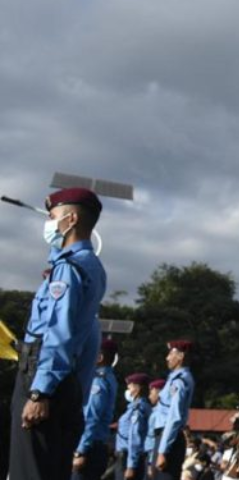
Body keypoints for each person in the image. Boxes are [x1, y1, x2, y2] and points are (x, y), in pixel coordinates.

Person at [8, 187, 108, 480]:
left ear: (71, 219)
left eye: (52, 217)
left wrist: (41, 391)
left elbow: (57, 334)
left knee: (30, 471)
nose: (48, 224)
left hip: (42, 375)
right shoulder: (89, 266)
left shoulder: (68, 269)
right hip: (67, 381)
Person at [72, 337, 119, 480]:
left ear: (99, 357)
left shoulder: (98, 381)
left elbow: (91, 418)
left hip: (90, 447)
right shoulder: (109, 378)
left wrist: (81, 451)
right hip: (96, 446)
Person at [154, 340, 196, 480]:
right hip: (165, 437)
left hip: (169, 440)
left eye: (170, 354)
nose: (167, 358)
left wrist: (162, 451)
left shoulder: (179, 381)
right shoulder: (175, 379)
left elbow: (174, 417)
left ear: (181, 356)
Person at [114, 373, 150, 480]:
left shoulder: (138, 409)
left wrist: (131, 466)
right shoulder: (136, 407)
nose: (127, 389)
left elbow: (135, 437)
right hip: (127, 457)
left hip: (128, 459)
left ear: (137, 388)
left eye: (129, 385)